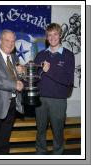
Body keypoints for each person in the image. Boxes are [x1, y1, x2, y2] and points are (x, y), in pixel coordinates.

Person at [34, 23, 75, 155]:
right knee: (40, 131)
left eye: (55, 34)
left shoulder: (68, 55)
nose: (52, 37)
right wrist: (23, 75)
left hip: (58, 101)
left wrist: (49, 70)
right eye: (49, 35)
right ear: (46, 38)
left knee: (58, 132)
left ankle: (58, 157)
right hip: (40, 100)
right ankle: (40, 155)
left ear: (60, 35)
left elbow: (68, 81)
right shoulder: (40, 55)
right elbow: (35, 77)